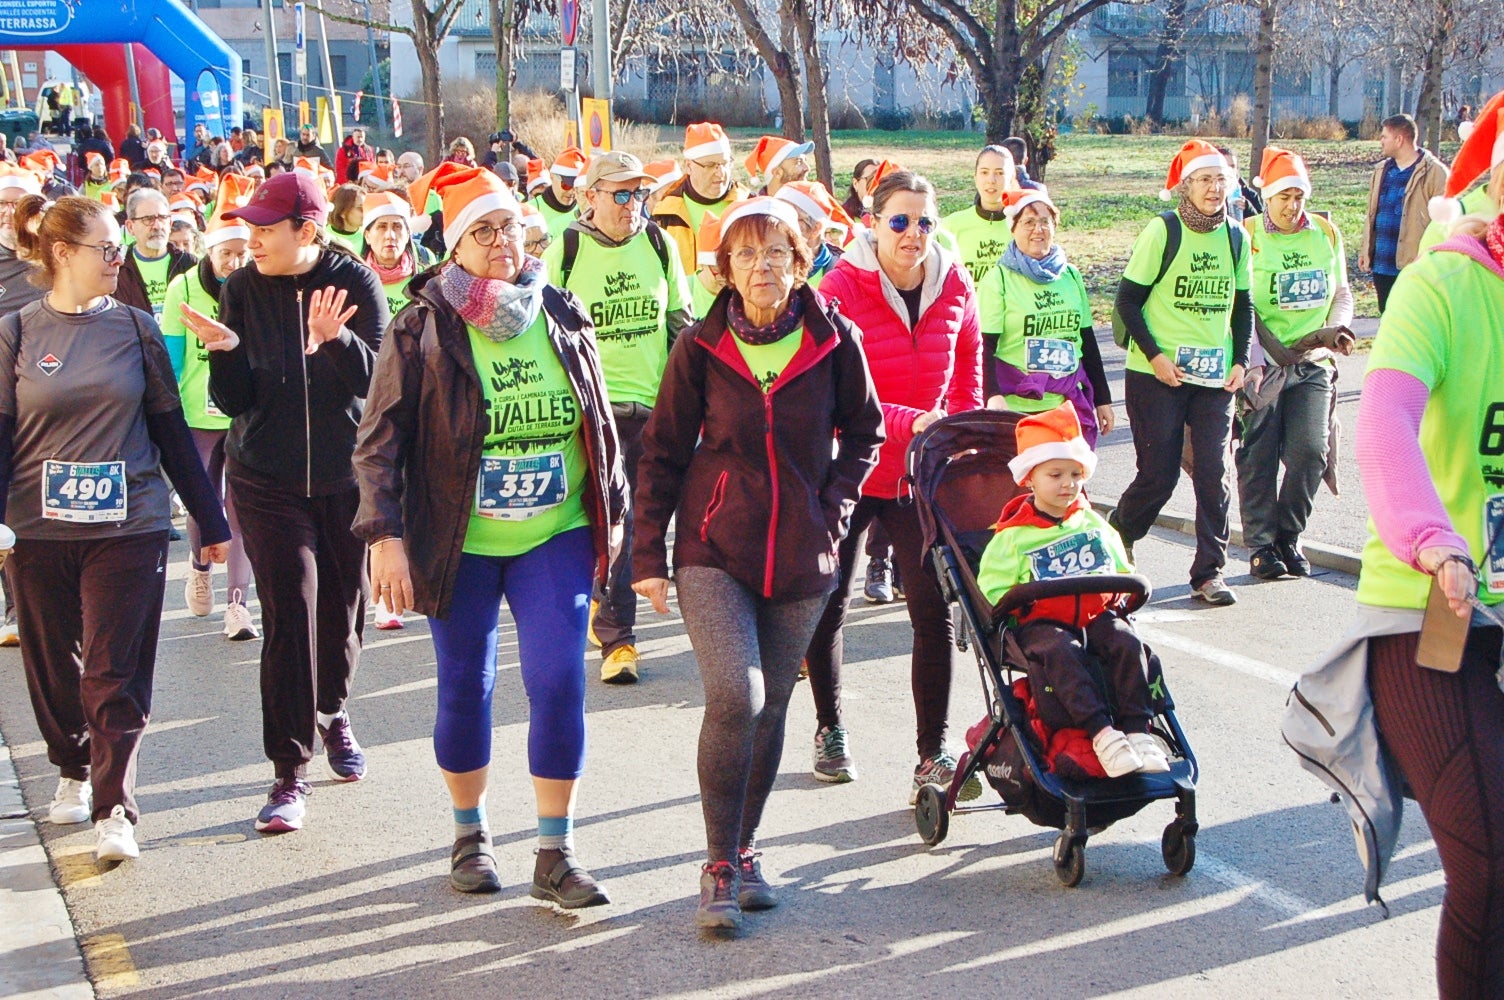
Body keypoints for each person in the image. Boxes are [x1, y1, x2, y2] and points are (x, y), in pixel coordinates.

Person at [353, 162, 628, 907]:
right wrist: (386, 536)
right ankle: (470, 832)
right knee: (465, 688)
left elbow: (598, 424)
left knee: (558, 680)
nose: (501, 240)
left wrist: (619, 517)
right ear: (454, 246)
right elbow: (378, 438)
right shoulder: (422, 327)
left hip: (555, 532)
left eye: (509, 225)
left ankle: (555, 851)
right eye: (482, 230)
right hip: (460, 538)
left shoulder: (561, 311)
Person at [633, 196, 882, 929]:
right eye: (746, 254)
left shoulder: (835, 340)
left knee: (773, 704)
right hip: (714, 550)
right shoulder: (699, 348)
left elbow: (864, 435)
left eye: (777, 252)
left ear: (801, 263)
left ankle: (745, 851)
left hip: (805, 555)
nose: (762, 267)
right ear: (725, 269)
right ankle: (715, 865)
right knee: (735, 697)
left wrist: (834, 509)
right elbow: (663, 453)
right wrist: (647, 552)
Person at [1, 194, 230, 863]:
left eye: (119, 247)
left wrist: (209, 521)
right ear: (63, 253)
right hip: (38, 529)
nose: (118, 259)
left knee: (114, 666)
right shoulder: (17, 332)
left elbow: (169, 430)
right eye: (105, 249)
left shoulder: (136, 328)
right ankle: (72, 766)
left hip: (128, 522)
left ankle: (115, 807)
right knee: (53, 665)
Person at [1341, 100, 1504, 997]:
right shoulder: (1440, 286)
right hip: (1431, 606)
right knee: (1487, 854)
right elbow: (1386, 423)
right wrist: (1434, 540)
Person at [180, 171, 388, 833]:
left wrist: (336, 342)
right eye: (248, 228)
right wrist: (223, 352)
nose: (253, 240)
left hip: (344, 477)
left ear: (308, 230)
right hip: (265, 480)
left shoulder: (356, 283)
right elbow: (238, 401)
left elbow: (380, 384)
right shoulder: (239, 287)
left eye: (266, 229)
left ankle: (333, 712)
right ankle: (288, 772)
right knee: (290, 610)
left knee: (343, 611)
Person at [803, 170, 984, 794]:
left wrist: (956, 436)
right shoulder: (839, 288)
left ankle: (931, 755)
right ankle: (830, 727)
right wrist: (917, 423)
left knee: (932, 611)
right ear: (873, 223)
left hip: (919, 475)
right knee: (831, 603)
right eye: (900, 221)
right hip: (847, 468)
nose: (914, 235)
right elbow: (833, 395)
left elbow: (967, 379)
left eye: (926, 223)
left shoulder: (955, 282)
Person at [544, 151, 694, 684]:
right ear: (590, 197)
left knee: (632, 523)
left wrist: (688, 399)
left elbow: (681, 323)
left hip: (651, 408)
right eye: (622, 194)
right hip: (592, 412)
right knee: (601, 521)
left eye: (641, 195)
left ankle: (618, 639)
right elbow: (547, 333)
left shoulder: (659, 245)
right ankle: (606, 615)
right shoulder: (566, 250)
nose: (634, 206)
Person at [976, 404, 1169, 777]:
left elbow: (1121, 568)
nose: (1068, 484)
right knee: (1060, 651)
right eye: (1055, 474)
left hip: (1094, 615)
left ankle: (1138, 729)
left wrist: (1121, 591)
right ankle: (1102, 733)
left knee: (1126, 641)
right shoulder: (1014, 536)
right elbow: (994, 587)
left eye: (1076, 474)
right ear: (1030, 478)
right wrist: (1020, 603)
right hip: (1042, 622)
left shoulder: (1093, 525)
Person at [1110, 141, 1252, 607]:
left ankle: (1209, 572)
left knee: (1215, 472)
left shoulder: (1236, 237)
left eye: (1221, 180)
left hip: (1213, 377)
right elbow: (1127, 301)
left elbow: (1242, 305)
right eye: (1204, 180)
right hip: (1157, 374)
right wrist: (1154, 356)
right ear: (1185, 186)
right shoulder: (1163, 230)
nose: (1215, 188)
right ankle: (1119, 536)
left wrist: (1241, 360)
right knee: (1160, 474)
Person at [1235, 147, 1354, 581]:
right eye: (1284, 196)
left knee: (1311, 451)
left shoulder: (1324, 232)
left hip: (1313, 360)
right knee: (1257, 455)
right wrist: (1249, 361)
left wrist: (1338, 328)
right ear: (1266, 196)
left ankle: (1290, 535)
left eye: (1299, 196)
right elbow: (1237, 304)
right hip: (1263, 362)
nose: (1293, 205)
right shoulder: (1245, 235)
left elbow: (1341, 292)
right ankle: (1262, 547)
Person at [159, 211, 258, 640]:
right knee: (203, 501)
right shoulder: (182, 287)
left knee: (239, 510)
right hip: (196, 417)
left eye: (241, 254)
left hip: (241, 417)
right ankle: (200, 569)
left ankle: (238, 604)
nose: (234, 263)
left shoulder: (256, 287)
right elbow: (171, 359)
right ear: (208, 251)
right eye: (226, 254)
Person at [978, 188, 1112, 443]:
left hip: (1064, 404)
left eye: (1044, 222)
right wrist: (992, 396)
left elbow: (1086, 339)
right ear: (1013, 228)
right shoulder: (1000, 280)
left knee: (1065, 481)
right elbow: (984, 347)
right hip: (1016, 407)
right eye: (1028, 222)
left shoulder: (1070, 275)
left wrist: (1102, 399)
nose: (1038, 230)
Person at [0, 164, 47, 647]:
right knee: (7, 504)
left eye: (20, 202)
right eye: (3, 203)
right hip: (0, 400)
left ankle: (39, 601)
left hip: (48, 399)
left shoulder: (52, 262)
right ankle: (14, 608)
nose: (11, 212)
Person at [1359, 114, 1449, 312]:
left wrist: (1430, 257)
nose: (1381, 141)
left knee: (1415, 321)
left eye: (1385, 137)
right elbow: (1372, 213)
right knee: (1388, 319)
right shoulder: (1381, 170)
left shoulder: (1435, 173)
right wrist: (1366, 249)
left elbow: (1446, 223)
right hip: (1382, 265)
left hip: (1414, 266)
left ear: (1399, 140)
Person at [652, 122, 749, 277]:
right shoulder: (664, 216)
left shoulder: (748, 207)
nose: (721, 173)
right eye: (710, 165)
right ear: (689, 166)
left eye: (725, 163)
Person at [941, 145, 1019, 285]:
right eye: (984, 172)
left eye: (1000, 173)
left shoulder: (1021, 225)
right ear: (975, 177)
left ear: (1012, 178)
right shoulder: (949, 226)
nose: (991, 180)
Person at [115, 189, 196, 322]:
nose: (157, 226)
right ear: (130, 227)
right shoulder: (119, 269)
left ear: (170, 223)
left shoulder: (189, 264)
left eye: (162, 218)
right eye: (148, 219)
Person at [773, 179, 854, 292]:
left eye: (790, 218)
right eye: (775, 217)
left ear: (816, 229)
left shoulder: (844, 275)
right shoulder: (764, 266)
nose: (777, 225)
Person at [535, 147, 586, 239]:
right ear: (552, 176)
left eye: (577, 188)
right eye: (566, 185)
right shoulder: (532, 209)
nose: (572, 192)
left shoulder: (585, 212)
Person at [744, 135, 813, 197]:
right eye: (798, 162)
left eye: (805, 161)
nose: (807, 168)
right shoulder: (758, 209)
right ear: (777, 172)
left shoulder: (807, 205)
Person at [1217, 145, 1263, 222]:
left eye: (1232, 166)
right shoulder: (1210, 193)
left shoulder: (1250, 194)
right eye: (1225, 166)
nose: (1229, 170)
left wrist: (1248, 208)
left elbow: (1261, 224)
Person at [326, 184, 365, 254]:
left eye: (366, 206)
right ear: (342, 212)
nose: (365, 211)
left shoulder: (368, 236)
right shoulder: (325, 238)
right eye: (360, 207)